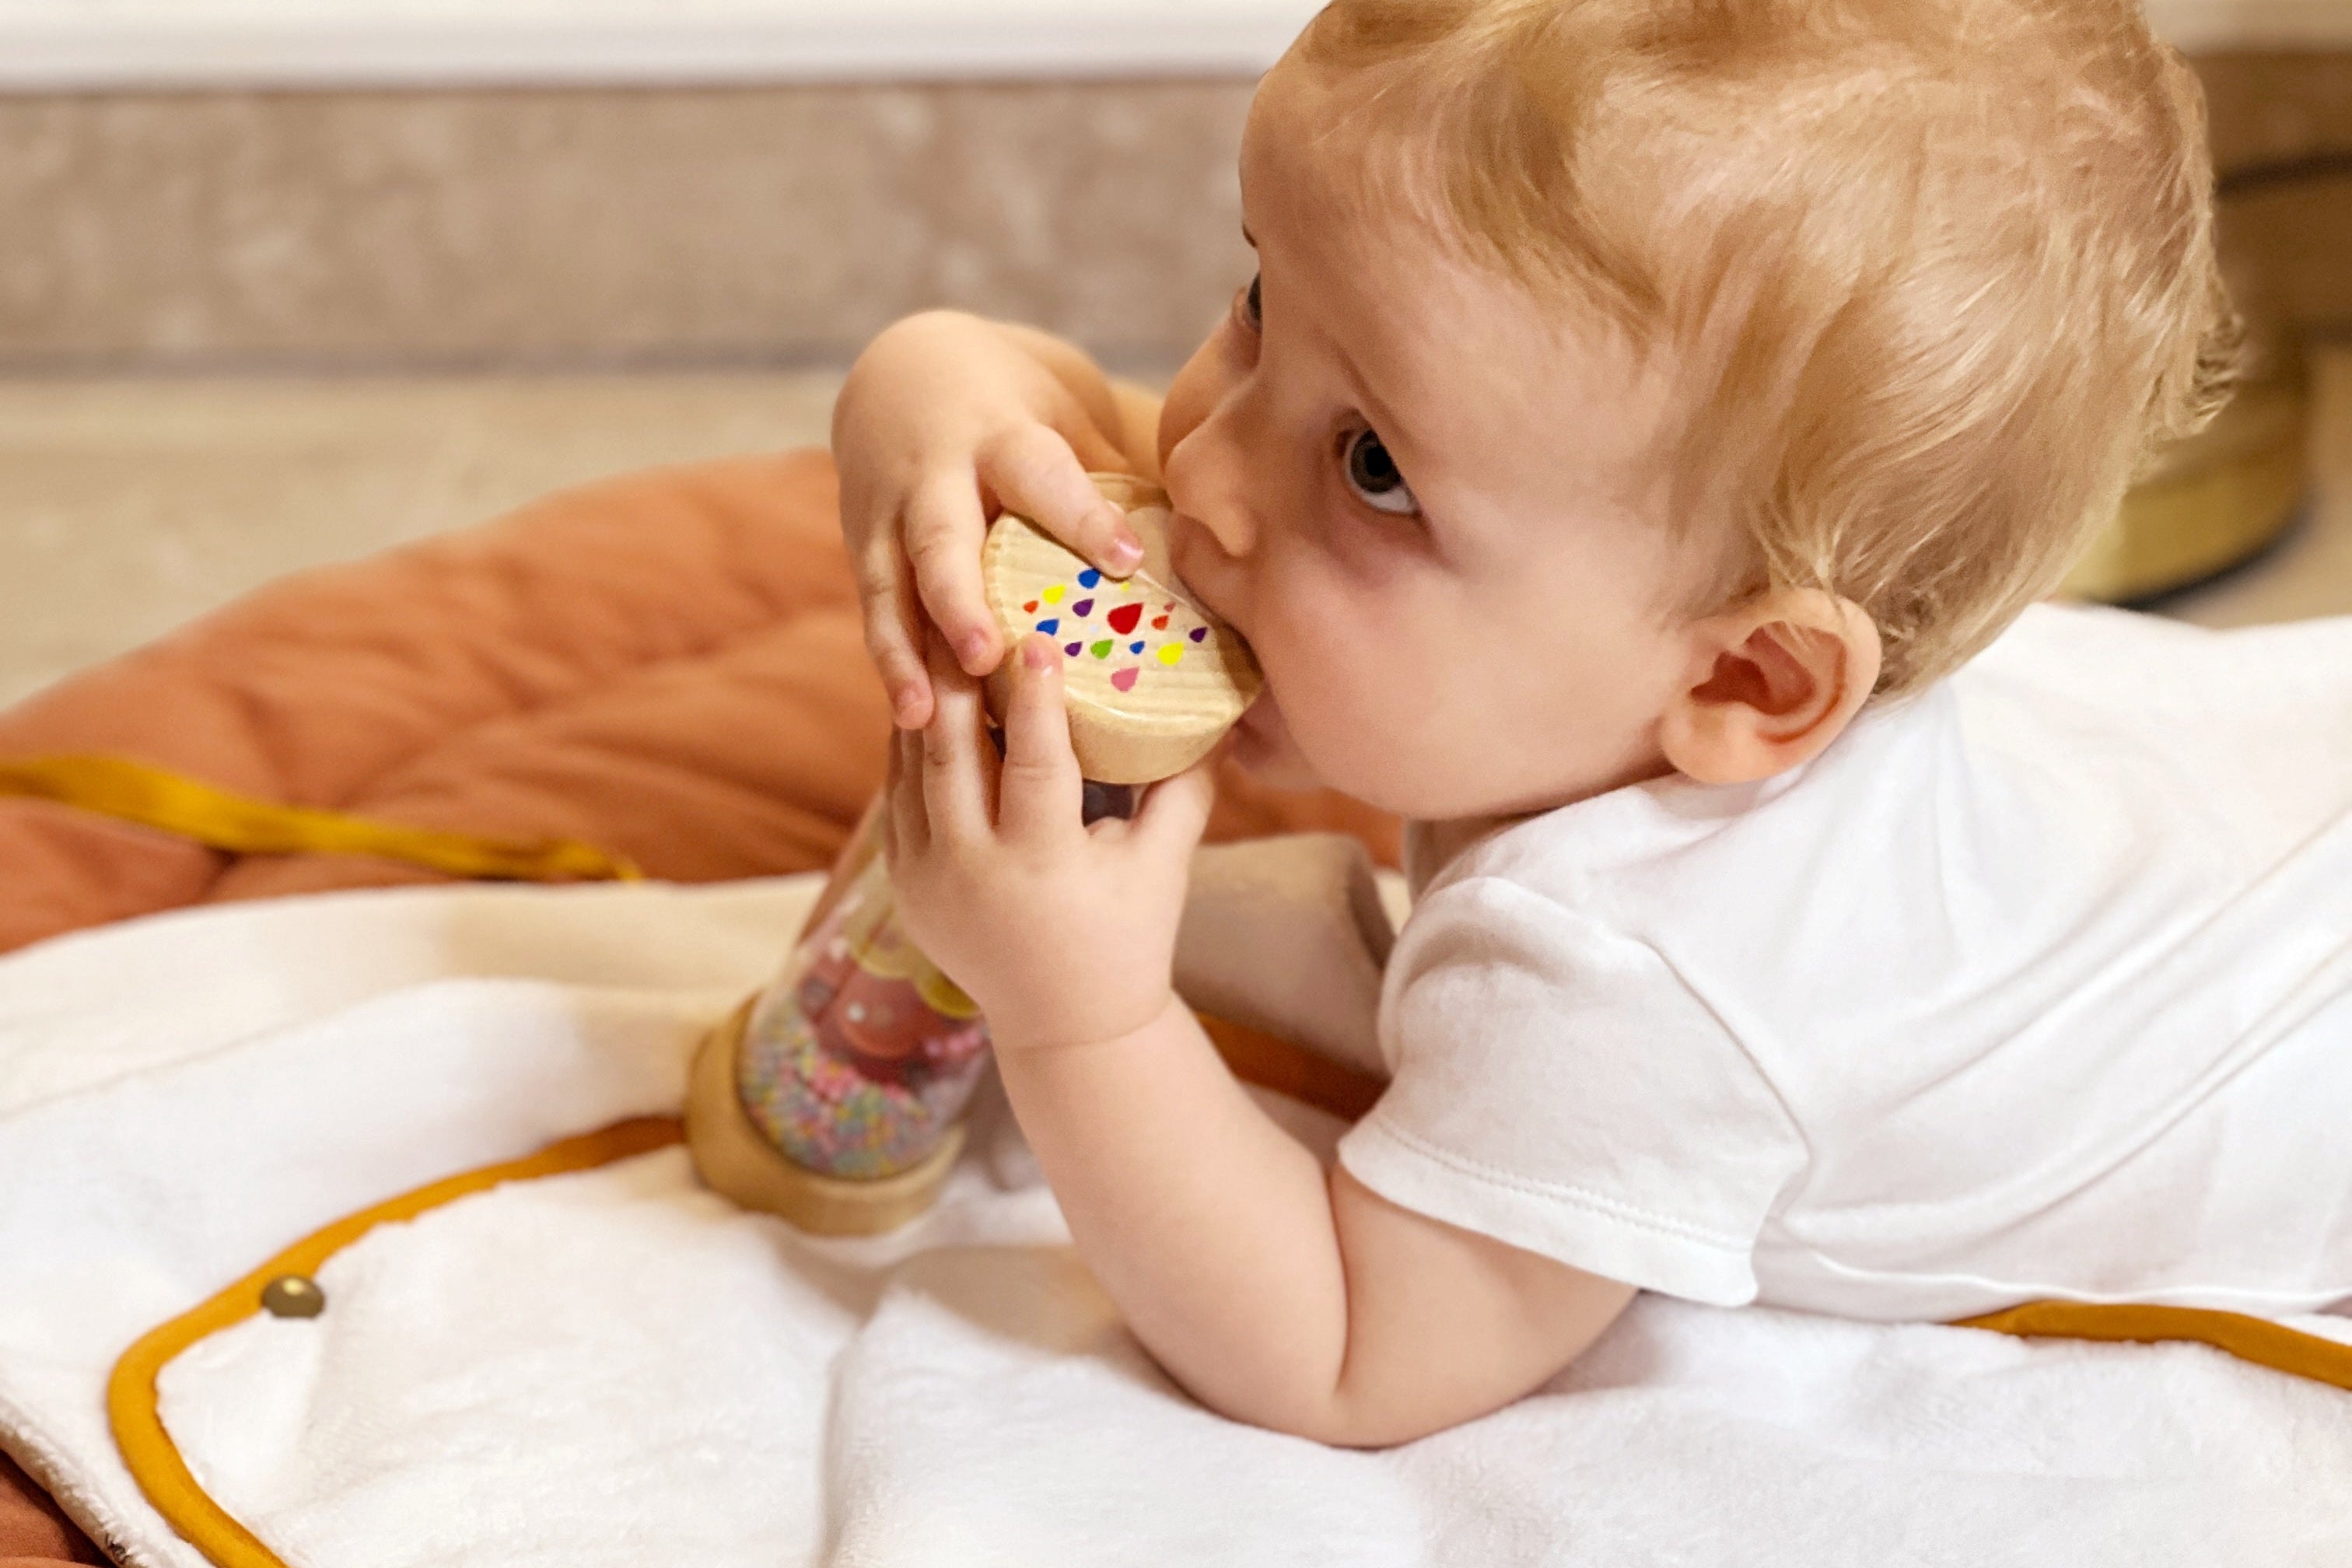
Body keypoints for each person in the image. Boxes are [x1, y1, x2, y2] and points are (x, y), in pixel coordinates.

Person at [825, 0, 2351, 1447]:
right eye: (1263, 303)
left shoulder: (1637, 991)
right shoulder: (1583, 614)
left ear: (1741, 686)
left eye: (1372, 468)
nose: (1209, 473)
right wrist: (926, 402)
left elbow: (1349, 1353)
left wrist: (1077, 1013)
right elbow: (1043, 410)